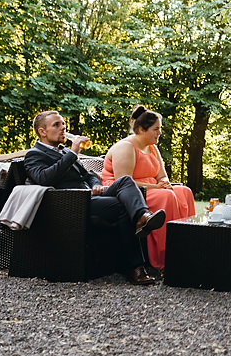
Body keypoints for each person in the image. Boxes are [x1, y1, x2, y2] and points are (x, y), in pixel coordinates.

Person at [24, 110, 166, 285]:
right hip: (73, 202)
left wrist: (95, 185)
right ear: (42, 131)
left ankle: (143, 216)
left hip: (92, 195)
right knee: (122, 206)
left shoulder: (65, 151)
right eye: (56, 125)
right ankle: (136, 267)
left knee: (125, 181)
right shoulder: (35, 154)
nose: (63, 128)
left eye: (63, 124)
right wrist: (73, 154)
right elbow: (44, 178)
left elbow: (88, 174)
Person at [101, 105, 196, 270]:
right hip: (126, 191)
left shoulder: (153, 147)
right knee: (166, 197)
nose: (160, 133)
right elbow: (124, 181)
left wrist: (164, 183)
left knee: (184, 192)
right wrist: (157, 187)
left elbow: (162, 175)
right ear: (141, 129)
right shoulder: (126, 147)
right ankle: (163, 255)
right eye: (156, 129)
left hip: (151, 187)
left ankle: (186, 245)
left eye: (160, 128)